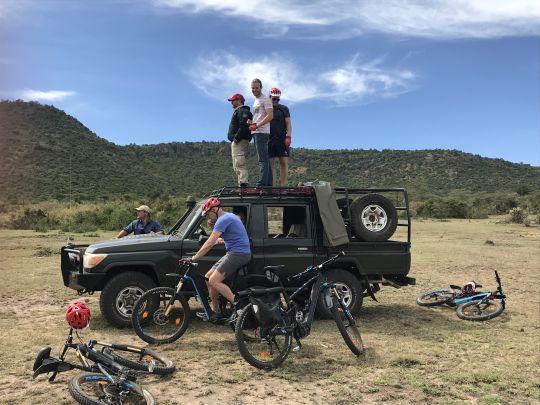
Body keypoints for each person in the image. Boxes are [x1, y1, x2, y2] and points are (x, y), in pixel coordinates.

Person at [189, 197, 251, 322]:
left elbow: (209, 244)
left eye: (208, 214)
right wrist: (222, 239)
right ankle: (215, 313)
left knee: (214, 280)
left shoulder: (223, 220)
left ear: (215, 210)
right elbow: (233, 235)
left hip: (239, 254)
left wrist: (194, 257)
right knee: (208, 278)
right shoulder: (228, 216)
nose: (208, 218)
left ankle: (241, 308)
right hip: (235, 252)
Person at [249, 78, 273, 187]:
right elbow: (259, 115)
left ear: (261, 87)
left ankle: (262, 184)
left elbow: (270, 115)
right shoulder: (256, 101)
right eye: (253, 88)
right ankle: (268, 184)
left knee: (262, 159)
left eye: (256, 88)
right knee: (264, 158)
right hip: (256, 131)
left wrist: (257, 125)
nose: (254, 90)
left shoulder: (266, 99)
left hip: (261, 132)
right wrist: (251, 121)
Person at [227, 93, 252, 187]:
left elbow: (245, 125)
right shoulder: (241, 111)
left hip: (240, 141)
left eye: (232, 101)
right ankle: (241, 185)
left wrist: (236, 138)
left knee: (239, 162)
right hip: (239, 140)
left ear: (238, 100)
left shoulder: (242, 111)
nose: (231, 103)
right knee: (237, 164)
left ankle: (243, 185)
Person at [268, 87, 292, 186]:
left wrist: (288, 136)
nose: (276, 101)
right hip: (269, 138)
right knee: (271, 164)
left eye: (278, 99)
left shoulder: (284, 108)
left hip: (282, 138)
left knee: (283, 162)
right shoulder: (266, 109)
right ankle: (273, 187)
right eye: (274, 99)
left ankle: (283, 187)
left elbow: (288, 123)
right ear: (269, 97)